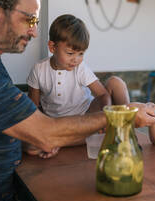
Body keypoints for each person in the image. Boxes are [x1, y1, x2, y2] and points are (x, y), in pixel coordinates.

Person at [0, 0, 155, 201]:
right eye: (29, 19)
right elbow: (46, 134)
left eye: (35, 22)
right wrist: (124, 115)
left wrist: (25, 140)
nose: (34, 31)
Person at [25, 14, 130, 157]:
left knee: (115, 82)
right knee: (31, 146)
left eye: (81, 54)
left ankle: (127, 133)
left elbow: (103, 94)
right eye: (70, 53)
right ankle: (64, 140)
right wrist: (40, 132)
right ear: (52, 47)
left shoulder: (80, 68)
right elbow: (33, 107)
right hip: (58, 125)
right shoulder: (38, 70)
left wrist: (105, 117)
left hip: (86, 116)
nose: (76, 59)